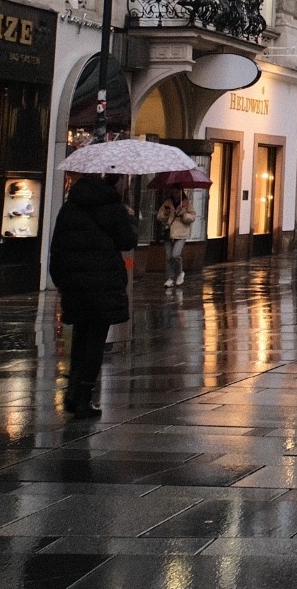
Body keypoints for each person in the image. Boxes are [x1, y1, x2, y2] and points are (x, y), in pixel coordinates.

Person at [48, 174, 137, 418]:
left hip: (74, 283)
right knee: (95, 341)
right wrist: (129, 218)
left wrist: (61, 280)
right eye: (124, 180)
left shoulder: (70, 205)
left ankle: (71, 393)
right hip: (103, 282)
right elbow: (127, 241)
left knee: (79, 338)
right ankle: (83, 398)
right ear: (115, 181)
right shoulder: (113, 207)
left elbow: (57, 245)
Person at [154, 185, 195, 288]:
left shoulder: (186, 203)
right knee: (168, 257)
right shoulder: (167, 203)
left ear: (181, 191)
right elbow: (159, 216)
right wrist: (165, 214)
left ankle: (180, 273)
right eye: (173, 191)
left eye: (176, 192)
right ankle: (170, 278)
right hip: (169, 232)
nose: (174, 194)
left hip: (181, 233)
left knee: (176, 255)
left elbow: (192, 217)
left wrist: (183, 214)